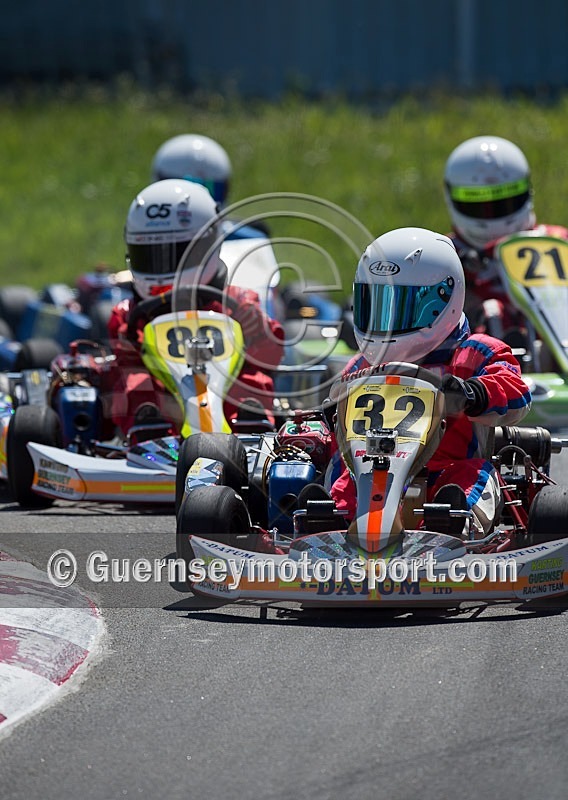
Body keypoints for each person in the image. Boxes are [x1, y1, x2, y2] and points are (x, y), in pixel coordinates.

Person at [329, 227, 532, 538]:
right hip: (371, 471)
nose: (387, 319)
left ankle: (449, 530)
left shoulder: (475, 353)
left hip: (446, 471)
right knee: (343, 480)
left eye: (401, 306)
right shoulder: (363, 365)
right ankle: (327, 524)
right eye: (379, 304)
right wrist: (319, 425)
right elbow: (335, 419)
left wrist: (472, 393)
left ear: (443, 299)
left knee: (470, 478)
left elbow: (515, 391)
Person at [106, 178, 284, 436]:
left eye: (178, 254)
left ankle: (250, 422)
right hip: (166, 407)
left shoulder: (238, 302)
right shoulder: (128, 313)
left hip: (229, 405)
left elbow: (272, 354)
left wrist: (255, 325)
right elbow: (124, 360)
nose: (163, 269)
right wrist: (133, 334)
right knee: (135, 382)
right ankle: (147, 428)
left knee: (251, 375)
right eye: (150, 256)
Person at [444, 134, 568, 340]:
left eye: (505, 200)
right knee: (493, 312)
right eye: (477, 202)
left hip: (557, 354)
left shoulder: (558, 241)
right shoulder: (445, 256)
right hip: (477, 363)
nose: (493, 213)